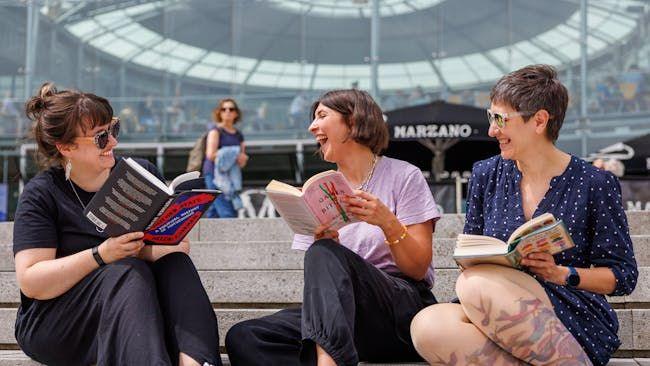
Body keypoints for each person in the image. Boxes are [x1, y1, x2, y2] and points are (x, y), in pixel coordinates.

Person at [410, 65, 638, 366]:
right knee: (427, 326)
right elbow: (471, 249)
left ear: (539, 121)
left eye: (500, 119)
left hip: (568, 310)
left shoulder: (595, 183)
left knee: (474, 285)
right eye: (491, 118)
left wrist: (560, 273)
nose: (492, 130)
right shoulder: (485, 174)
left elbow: (623, 276)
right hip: (491, 304)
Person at [226, 89, 441, 366]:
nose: (312, 126)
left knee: (324, 252)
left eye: (321, 116)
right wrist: (328, 248)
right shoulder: (319, 189)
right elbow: (322, 287)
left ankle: (329, 361)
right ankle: (333, 355)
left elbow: (418, 268)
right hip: (344, 318)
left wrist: (387, 222)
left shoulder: (404, 175)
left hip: (400, 311)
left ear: (352, 121)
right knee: (246, 336)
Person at [13, 83, 221, 366]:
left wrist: (146, 247)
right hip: (59, 321)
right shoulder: (43, 193)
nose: (112, 142)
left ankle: (196, 362)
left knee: (175, 262)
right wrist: (102, 255)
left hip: (135, 315)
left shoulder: (141, 174)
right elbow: (32, 281)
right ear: (66, 147)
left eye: (113, 129)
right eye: (100, 137)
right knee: (125, 270)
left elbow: (172, 248)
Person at [203, 98, 247, 218]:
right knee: (227, 212)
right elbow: (210, 155)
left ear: (236, 113)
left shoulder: (239, 134)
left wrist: (241, 158)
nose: (227, 111)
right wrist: (233, 153)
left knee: (214, 213)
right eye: (224, 109)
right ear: (219, 112)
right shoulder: (215, 131)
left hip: (231, 178)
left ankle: (209, 236)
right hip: (214, 175)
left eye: (231, 109)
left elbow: (241, 162)